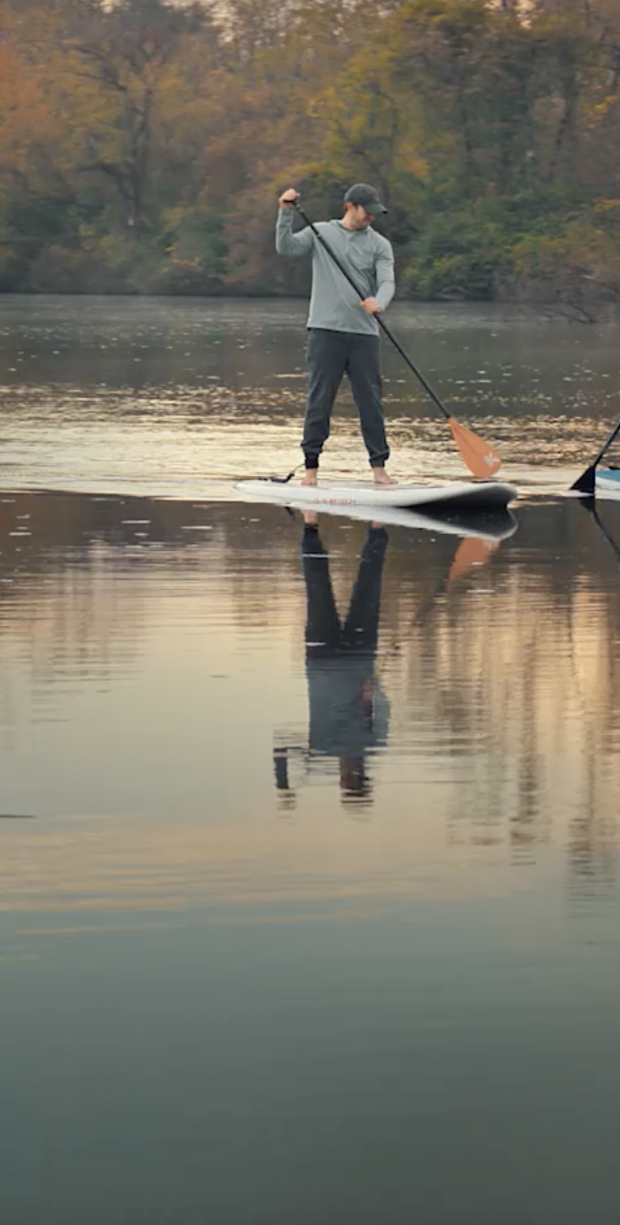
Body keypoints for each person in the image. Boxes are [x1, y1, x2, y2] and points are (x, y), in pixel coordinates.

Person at [276, 183, 397, 488]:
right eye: (366, 211)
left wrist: (378, 302)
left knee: (371, 402)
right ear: (350, 207)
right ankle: (311, 470)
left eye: (374, 213)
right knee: (319, 401)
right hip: (325, 332)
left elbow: (387, 282)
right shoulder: (321, 233)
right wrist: (284, 213)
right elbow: (286, 247)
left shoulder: (380, 245)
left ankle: (379, 469)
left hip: (363, 335)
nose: (371, 217)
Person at [296, 514, 389, 802]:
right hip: (357, 660)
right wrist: (373, 688)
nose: (353, 770)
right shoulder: (369, 744)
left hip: (323, 659)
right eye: (358, 777)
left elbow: (279, 752)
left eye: (351, 778)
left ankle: (310, 522)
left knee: (317, 587)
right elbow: (384, 708)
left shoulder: (321, 747)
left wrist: (285, 781)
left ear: (342, 778)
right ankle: (377, 524)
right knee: (368, 589)